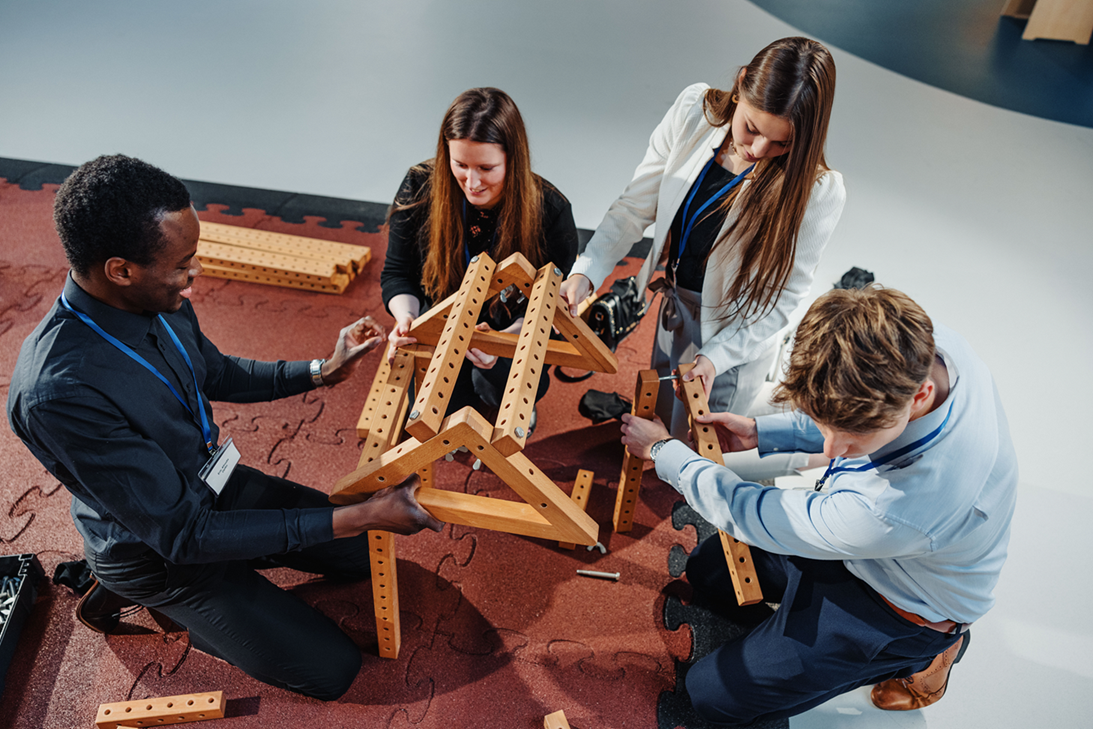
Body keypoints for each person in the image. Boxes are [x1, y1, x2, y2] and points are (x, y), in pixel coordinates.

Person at [6, 155, 443, 701]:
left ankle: (244, 565)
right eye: (184, 263)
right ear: (121, 270)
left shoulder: (155, 295)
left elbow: (211, 369)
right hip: (161, 550)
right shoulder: (58, 392)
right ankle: (123, 588)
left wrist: (322, 371)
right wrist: (355, 515)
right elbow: (185, 534)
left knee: (363, 553)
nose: (195, 276)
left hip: (211, 486)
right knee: (331, 670)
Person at [619, 286, 1018, 724]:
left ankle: (922, 659)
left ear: (919, 396)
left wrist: (663, 453)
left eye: (851, 438)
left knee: (711, 695)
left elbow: (753, 513)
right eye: (829, 427)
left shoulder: (901, 507)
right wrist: (762, 433)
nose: (829, 448)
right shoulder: (926, 347)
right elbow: (853, 411)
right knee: (707, 570)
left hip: (897, 608)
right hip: (863, 541)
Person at [560, 37, 845, 439]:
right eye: (752, 128)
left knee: (700, 444)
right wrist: (587, 270)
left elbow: (783, 301)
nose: (760, 150)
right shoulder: (694, 111)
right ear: (742, 83)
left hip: (733, 334)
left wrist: (716, 357)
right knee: (662, 417)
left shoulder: (818, 190)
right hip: (675, 302)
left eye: (783, 142)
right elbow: (635, 206)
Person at [381, 87, 579, 424]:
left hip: (511, 331)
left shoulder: (551, 210)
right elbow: (397, 273)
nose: (471, 182)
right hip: (443, 323)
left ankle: (516, 402)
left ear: (512, 160)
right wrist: (406, 319)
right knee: (436, 409)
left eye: (486, 168)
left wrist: (503, 341)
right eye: (460, 164)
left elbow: (548, 309)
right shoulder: (419, 185)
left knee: (495, 387)